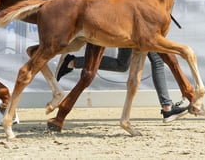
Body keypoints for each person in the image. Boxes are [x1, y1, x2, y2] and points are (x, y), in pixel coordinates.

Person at [57, 48, 188, 123]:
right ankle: (167, 108)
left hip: (131, 20)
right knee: (157, 60)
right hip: (139, 22)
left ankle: (73, 62)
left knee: (122, 64)